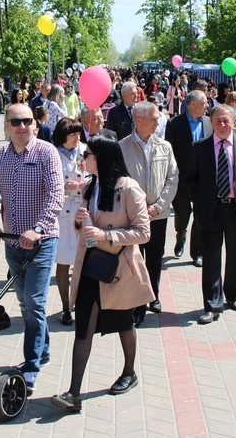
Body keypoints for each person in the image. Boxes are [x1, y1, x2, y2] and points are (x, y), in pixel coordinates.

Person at [50, 135, 154, 413]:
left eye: (88, 155)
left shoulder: (129, 189)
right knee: (83, 328)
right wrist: (78, 222)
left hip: (116, 271)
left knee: (123, 323)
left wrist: (106, 234)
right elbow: (81, 229)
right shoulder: (90, 186)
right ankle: (73, 393)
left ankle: (129, 372)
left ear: (102, 158)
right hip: (89, 268)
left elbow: (143, 233)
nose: (84, 159)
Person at [0, 103, 63, 394]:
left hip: (42, 241)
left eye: (27, 120)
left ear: (35, 124)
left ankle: (31, 366)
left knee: (36, 303)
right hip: (12, 243)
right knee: (27, 304)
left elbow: (56, 194)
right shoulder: (0, 155)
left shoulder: (47, 152)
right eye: (15, 121)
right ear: (6, 125)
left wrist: (38, 228)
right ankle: (44, 350)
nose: (22, 126)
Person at [188, 105, 236, 324]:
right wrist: (199, 204)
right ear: (211, 122)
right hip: (210, 209)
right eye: (218, 121)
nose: (222, 125)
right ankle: (212, 305)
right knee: (211, 256)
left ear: (234, 122)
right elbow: (191, 179)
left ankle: (233, 296)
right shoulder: (199, 147)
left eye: (226, 121)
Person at [120, 102, 179, 326]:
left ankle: (152, 295)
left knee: (154, 257)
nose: (158, 122)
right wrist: (136, 209)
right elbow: (119, 182)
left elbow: (172, 179)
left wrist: (157, 207)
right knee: (134, 259)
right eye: (154, 119)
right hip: (132, 217)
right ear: (139, 120)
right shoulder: (122, 147)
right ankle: (137, 302)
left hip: (158, 214)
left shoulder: (165, 146)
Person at [165, 90, 211, 267]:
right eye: (204, 102)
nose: (207, 105)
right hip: (182, 178)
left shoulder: (208, 122)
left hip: (202, 179)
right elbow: (169, 152)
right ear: (193, 105)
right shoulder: (175, 124)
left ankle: (197, 252)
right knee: (183, 213)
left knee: (200, 216)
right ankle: (180, 234)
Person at [52, 118, 87, 326]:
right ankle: (66, 307)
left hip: (82, 210)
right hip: (63, 214)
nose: (77, 138)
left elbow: (94, 174)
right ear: (63, 135)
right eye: (73, 134)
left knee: (83, 262)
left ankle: (81, 303)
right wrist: (64, 186)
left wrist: (83, 183)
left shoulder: (84, 150)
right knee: (64, 261)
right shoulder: (53, 154)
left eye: (79, 133)